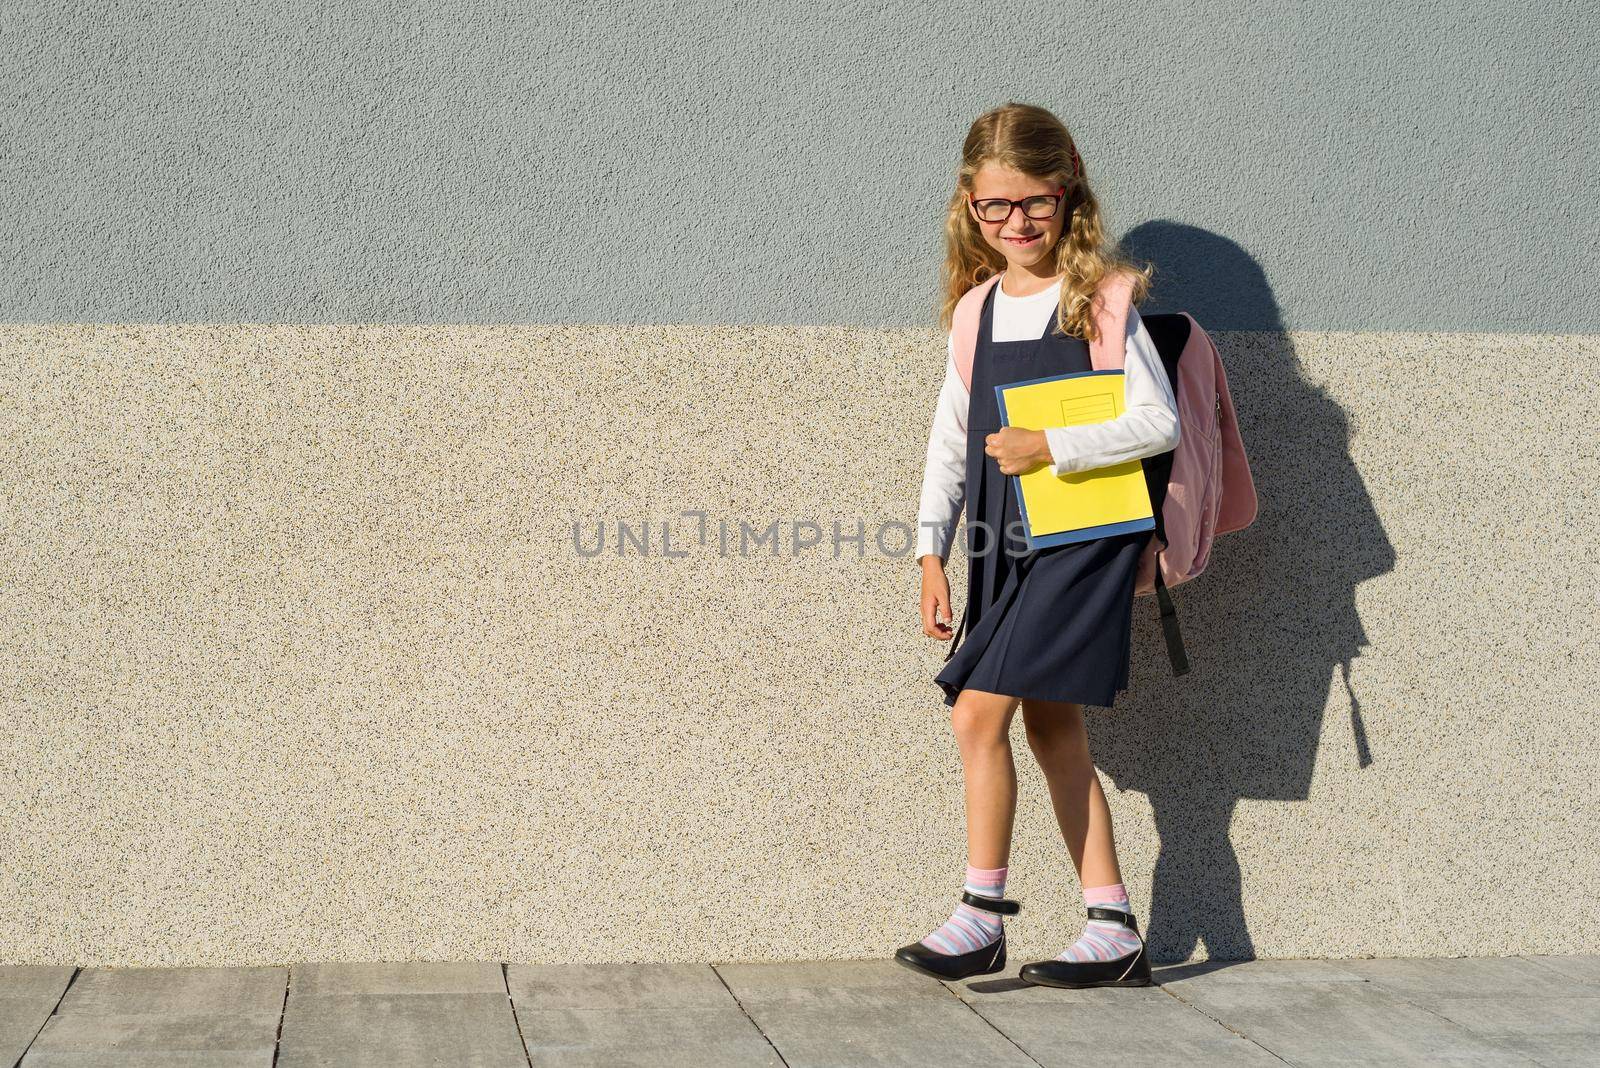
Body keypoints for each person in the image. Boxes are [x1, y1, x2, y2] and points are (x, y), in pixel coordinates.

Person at [894, 102, 1181, 989]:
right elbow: (950, 438)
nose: (1017, 224)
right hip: (1005, 539)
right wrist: (930, 552)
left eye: (1035, 204)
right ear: (969, 209)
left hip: (1081, 538)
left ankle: (982, 917)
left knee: (978, 713)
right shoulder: (977, 311)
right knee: (1052, 722)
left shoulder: (1099, 302)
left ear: (1069, 193)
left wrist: (1050, 446)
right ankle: (1112, 927)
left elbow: (1157, 418)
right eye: (996, 208)